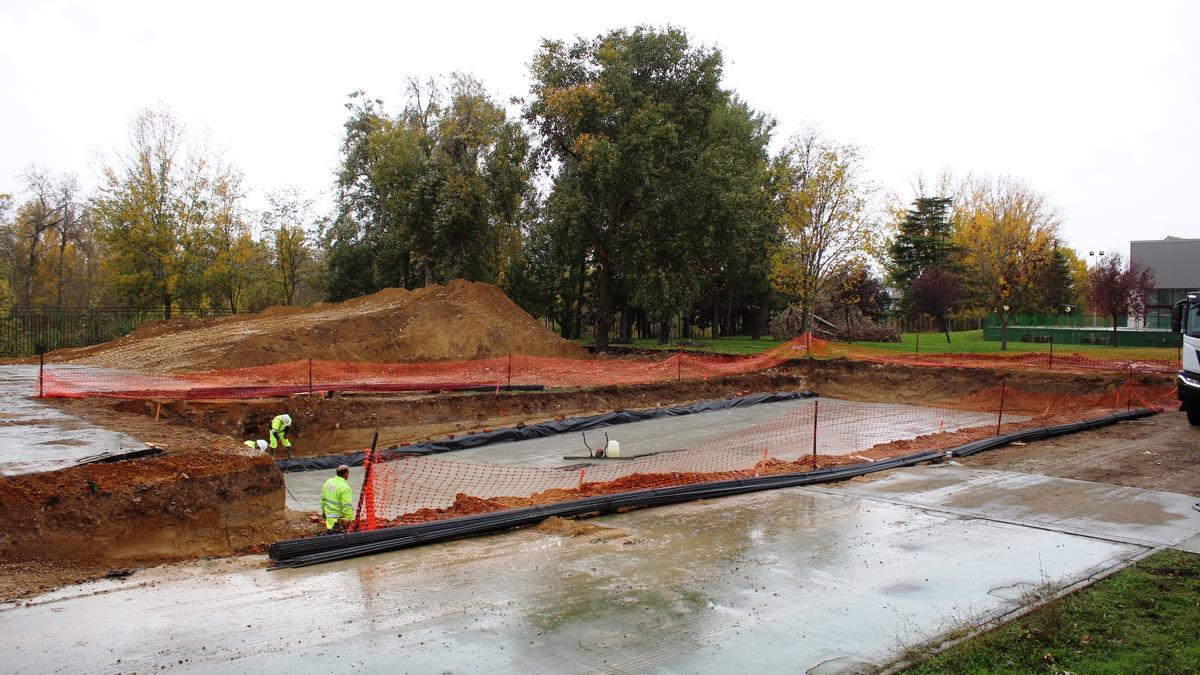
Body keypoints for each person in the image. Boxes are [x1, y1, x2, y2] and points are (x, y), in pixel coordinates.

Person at [320, 464, 355, 532]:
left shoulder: (328, 482)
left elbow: (322, 499)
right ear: (346, 474)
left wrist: (324, 512)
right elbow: (347, 507)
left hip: (329, 520)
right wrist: (351, 521)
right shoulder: (345, 488)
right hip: (339, 522)